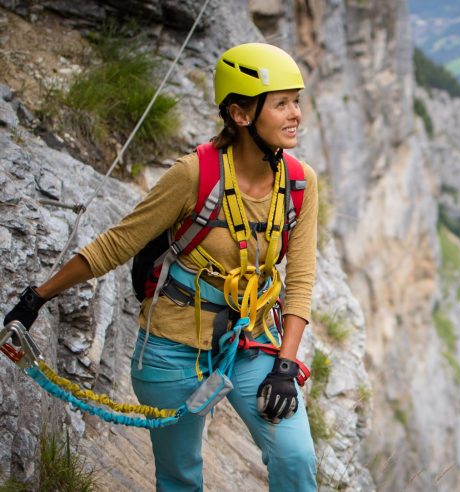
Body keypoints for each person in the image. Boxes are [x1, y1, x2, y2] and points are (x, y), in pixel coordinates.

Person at [3, 43, 319, 491]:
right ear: (241, 114)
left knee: (296, 457)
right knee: (180, 476)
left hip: (249, 342)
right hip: (172, 346)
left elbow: (301, 278)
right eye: (282, 103)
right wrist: (37, 298)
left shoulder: (301, 183)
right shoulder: (194, 175)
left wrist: (286, 365)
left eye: (297, 101)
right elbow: (118, 242)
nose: (296, 115)